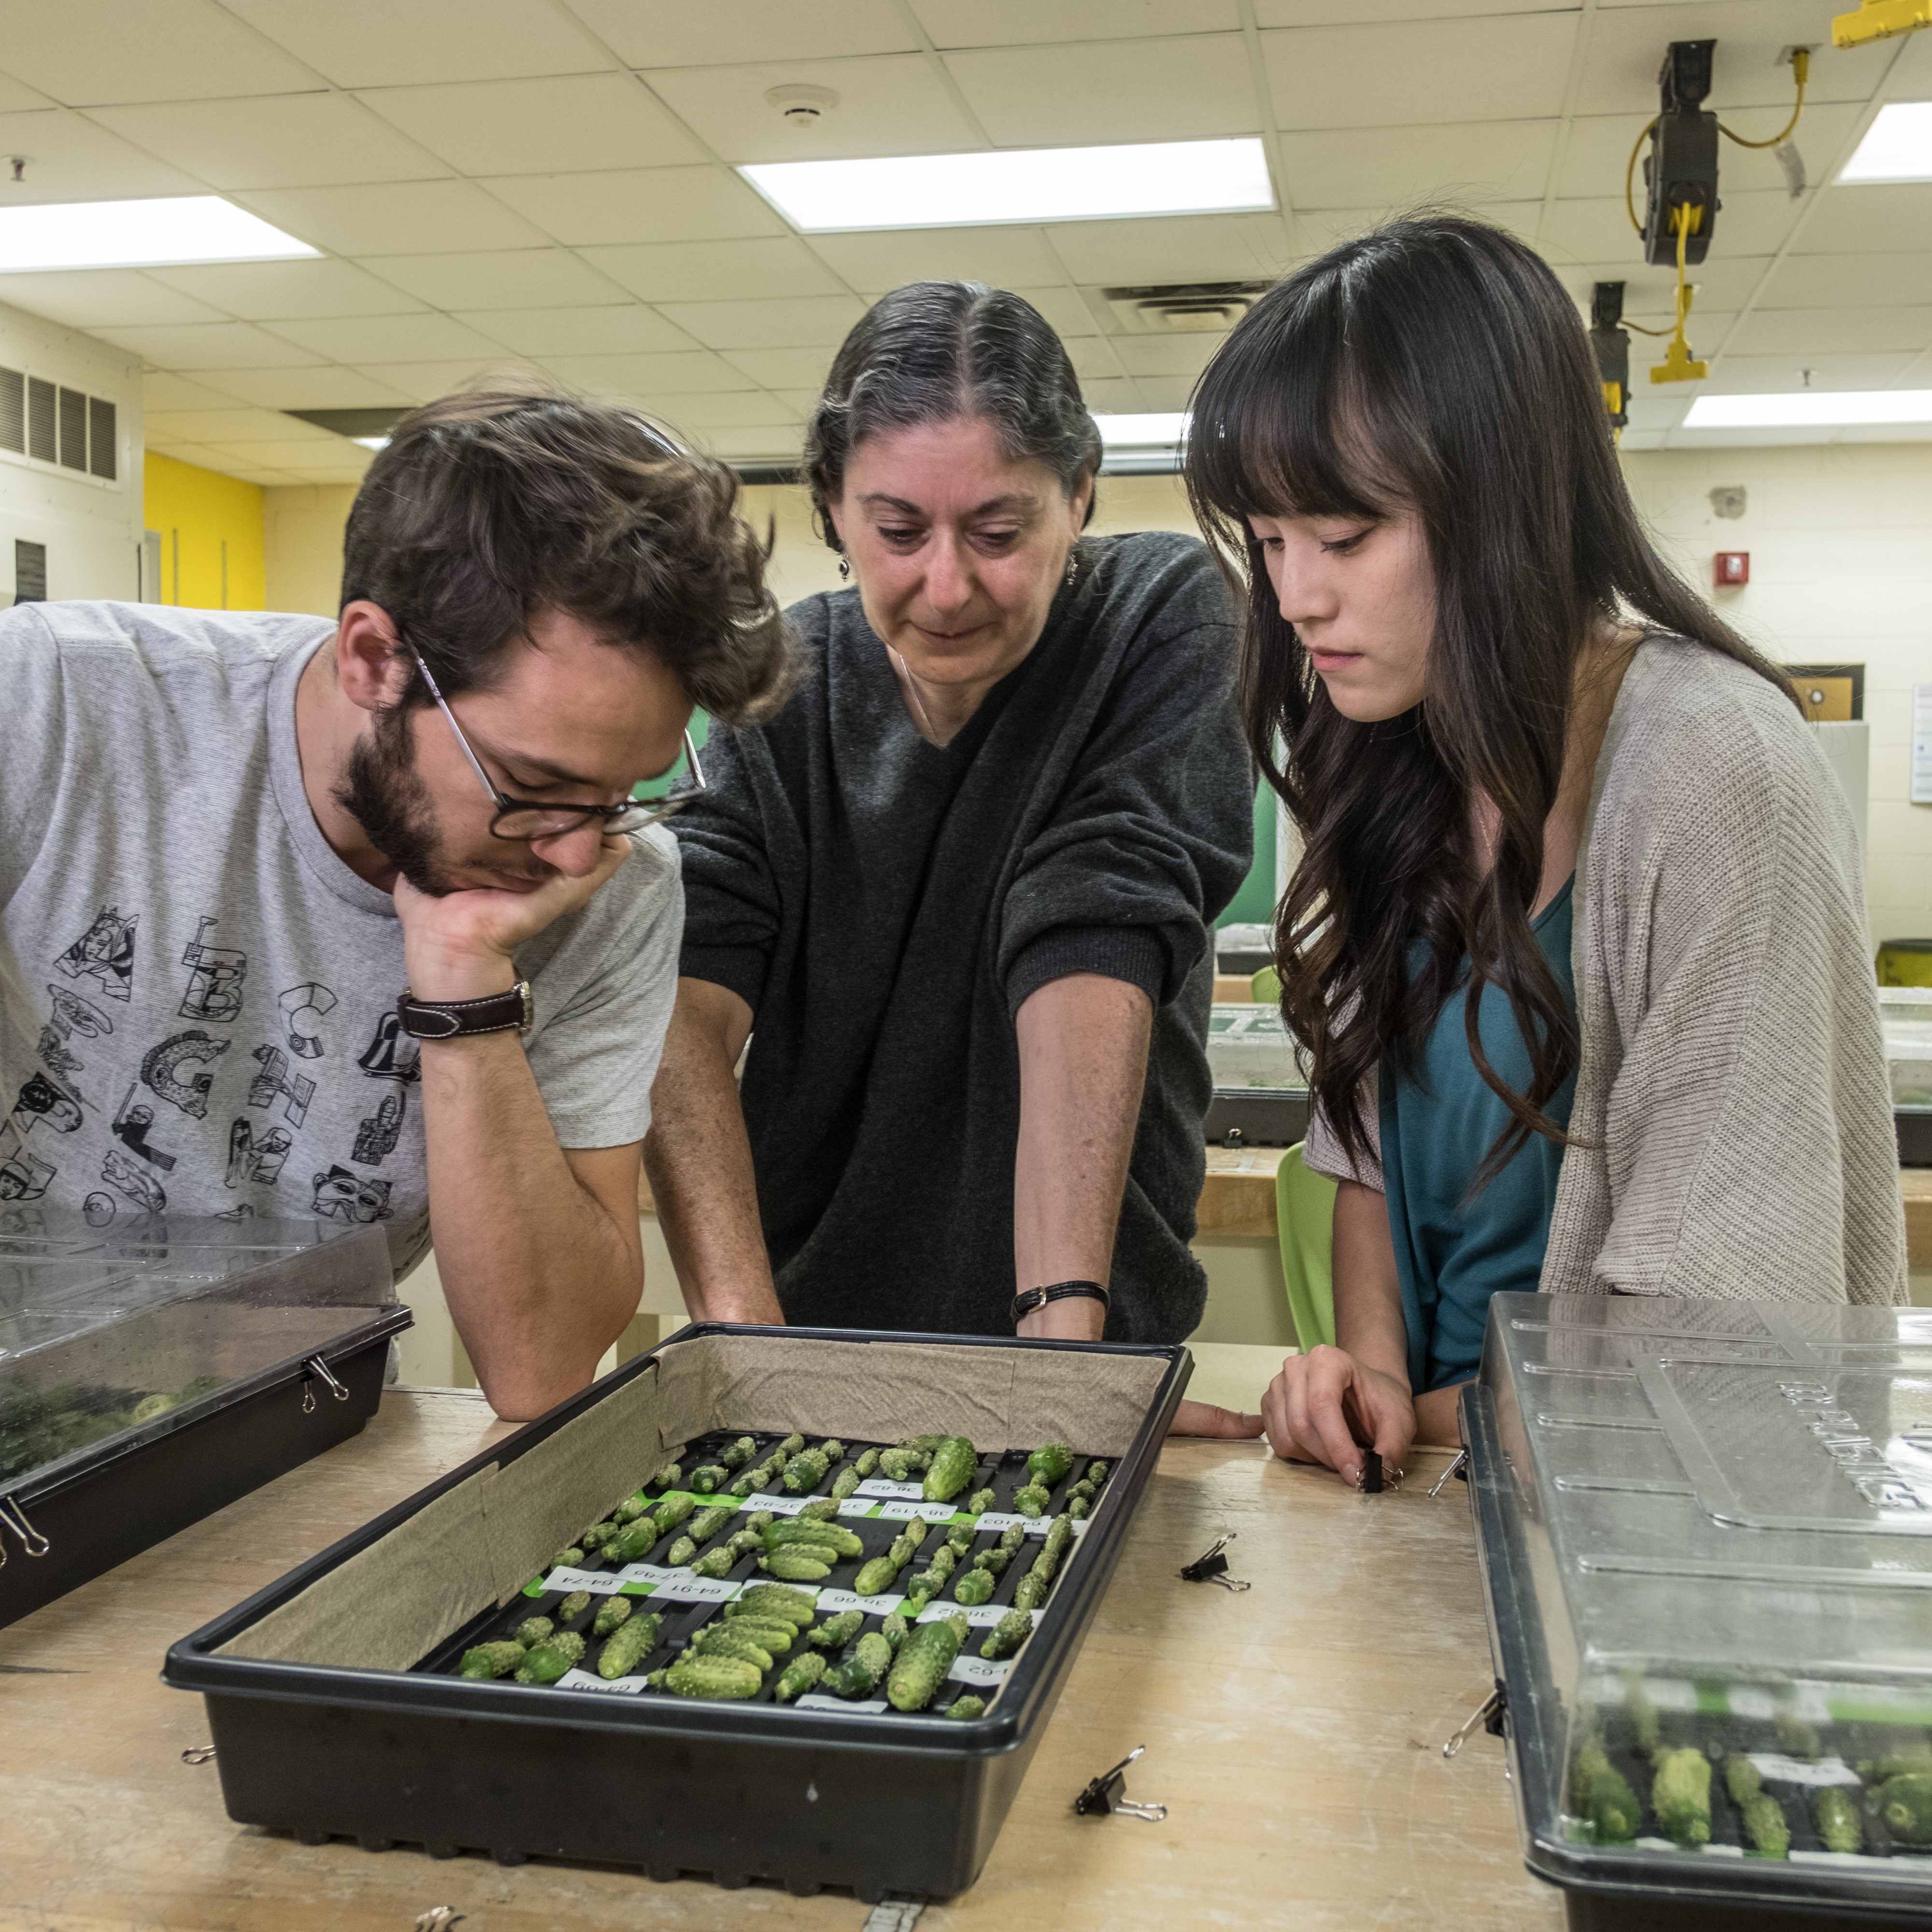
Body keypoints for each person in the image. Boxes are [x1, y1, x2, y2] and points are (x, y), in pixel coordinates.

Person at [1183, 215, 1907, 1485]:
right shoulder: (1389, 751)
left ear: (1501, 500)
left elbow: (1708, 1344)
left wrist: (1425, 1427)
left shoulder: (1713, 768)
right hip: (1450, 1496)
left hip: (1652, 1528)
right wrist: (1370, 1377)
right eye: (1271, 543)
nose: (1297, 597)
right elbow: (1360, 1151)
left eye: (1345, 538)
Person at [0, 386, 794, 1421]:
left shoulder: (616, 878)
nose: (568, 847)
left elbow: (541, 1362)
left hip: (295, 1425)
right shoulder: (49, 701)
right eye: (532, 784)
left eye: (622, 792)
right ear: (375, 658)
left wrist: (464, 982)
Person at [644, 281, 1256, 1362]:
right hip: (823, 1332)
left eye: (995, 529)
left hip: (1091, 1331)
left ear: (1078, 493)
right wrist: (746, 1336)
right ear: (834, 503)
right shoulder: (784, 690)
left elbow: (1092, 926)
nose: (946, 584)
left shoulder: (1160, 616)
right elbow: (683, 1004)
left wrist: (1060, 1349)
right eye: (897, 530)